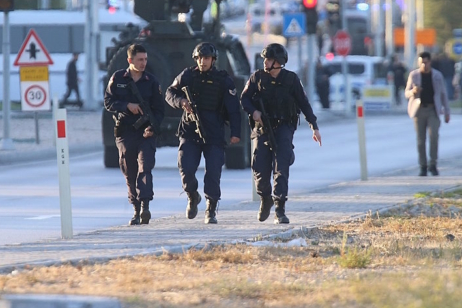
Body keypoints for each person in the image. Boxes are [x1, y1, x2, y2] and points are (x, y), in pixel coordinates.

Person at [241, 43, 322, 224]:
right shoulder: (257, 78)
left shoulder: (291, 80)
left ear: (278, 62)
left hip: (284, 127)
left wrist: (314, 126)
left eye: (269, 59)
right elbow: (244, 99)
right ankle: (265, 198)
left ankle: (280, 207)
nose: (265, 63)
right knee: (260, 167)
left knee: (281, 168)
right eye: (265, 59)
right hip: (262, 128)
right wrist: (254, 112)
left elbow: (304, 103)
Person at [165, 43, 242, 224]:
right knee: (186, 167)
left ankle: (211, 207)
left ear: (213, 60)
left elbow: (233, 109)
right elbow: (169, 93)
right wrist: (181, 101)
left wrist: (235, 132)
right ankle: (192, 196)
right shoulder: (187, 75)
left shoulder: (223, 80)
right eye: (200, 58)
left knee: (213, 172)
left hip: (214, 132)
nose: (202, 62)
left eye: (206, 58)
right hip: (190, 131)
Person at [104, 44, 165, 226]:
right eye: (140, 59)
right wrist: (126, 106)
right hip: (125, 131)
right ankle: (136, 209)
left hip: (146, 132)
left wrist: (153, 128)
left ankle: (145, 206)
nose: (143, 63)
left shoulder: (151, 82)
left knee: (144, 167)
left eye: (145, 59)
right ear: (130, 61)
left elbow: (160, 110)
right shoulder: (117, 78)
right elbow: (108, 102)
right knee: (129, 171)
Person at [405, 51, 450, 176]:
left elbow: (443, 94)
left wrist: (447, 111)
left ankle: (433, 164)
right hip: (419, 110)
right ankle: (423, 165)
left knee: (434, 136)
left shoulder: (437, 76)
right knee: (421, 140)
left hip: (433, 110)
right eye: (421, 63)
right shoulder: (414, 75)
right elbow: (406, 92)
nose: (424, 65)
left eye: (426, 62)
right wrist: (413, 92)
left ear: (430, 62)